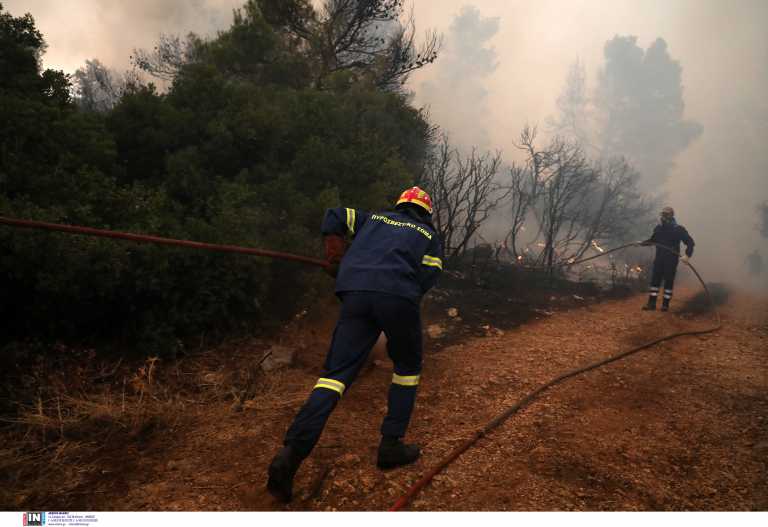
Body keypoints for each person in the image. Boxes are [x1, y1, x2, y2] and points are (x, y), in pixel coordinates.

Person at [266, 186, 443, 503]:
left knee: (335, 375)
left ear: (399, 205)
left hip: (355, 293)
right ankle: (390, 444)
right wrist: (401, 296)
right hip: (398, 296)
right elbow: (429, 275)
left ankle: (291, 453)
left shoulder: (372, 219)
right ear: (426, 212)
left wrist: (336, 257)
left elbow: (333, 216)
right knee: (407, 367)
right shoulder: (428, 235)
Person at [639, 206, 695, 312]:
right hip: (659, 259)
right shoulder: (658, 228)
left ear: (671, 216)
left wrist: (687, 255)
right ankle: (651, 304)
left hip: (671, 261)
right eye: (662, 215)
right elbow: (653, 240)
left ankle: (665, 305)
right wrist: (641, 243)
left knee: (668, 282)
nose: (663, 217)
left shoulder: (678, 229)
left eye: (666, 215)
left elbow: (690, 243)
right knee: (655, 282)